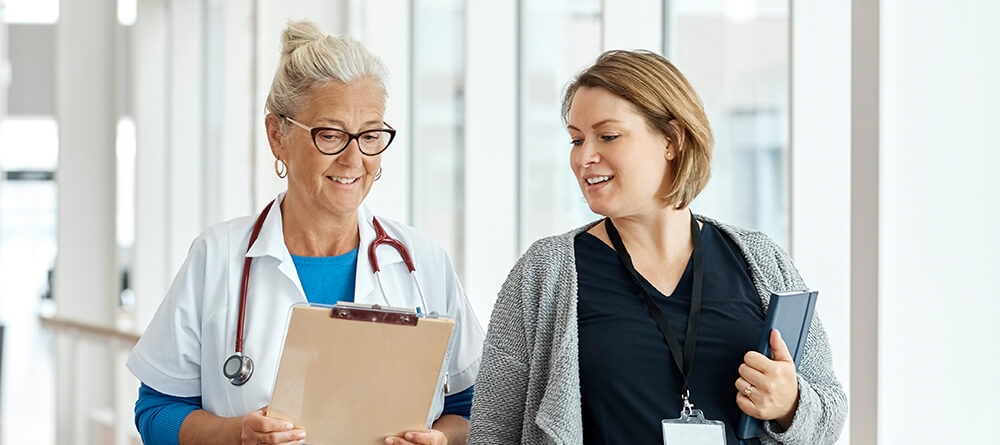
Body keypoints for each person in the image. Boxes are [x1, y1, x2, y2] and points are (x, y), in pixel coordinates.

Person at [127, 20, 483, 445]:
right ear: (277, 136)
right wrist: (236, 435)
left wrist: (441, 441)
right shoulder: (217, 256)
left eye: (370, 135)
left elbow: (472, 408)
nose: (354, 158)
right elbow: (155, 411)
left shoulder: (422, 261)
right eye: (330, 135)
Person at [468, 50, 846, 445]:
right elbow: (493, 431)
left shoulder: (760, 258)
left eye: (608, 136)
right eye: (576, 140)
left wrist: (790, 405)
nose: (584, 157)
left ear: (672, 139)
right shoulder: (543, 274)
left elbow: (829, 412)